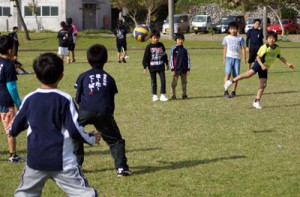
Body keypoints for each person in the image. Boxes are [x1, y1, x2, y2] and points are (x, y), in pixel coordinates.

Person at [10, 53, 101, 196]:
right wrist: (91, 138)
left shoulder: (29, 98)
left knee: (25, 193)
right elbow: (75, 129)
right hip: (63, 162)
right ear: (61, 76)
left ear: (36, 75)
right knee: (85, 194)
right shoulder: (65, 99)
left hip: (36, 161)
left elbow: (14, 128)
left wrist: (15, 129)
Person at [74, 44, 131, 177]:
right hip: (104, 111)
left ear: (88, 60)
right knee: (115, 140)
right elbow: (110, 99)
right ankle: (121, 168)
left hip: (85, 111)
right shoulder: (109, 78)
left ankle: (76, 165)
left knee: (74, 133)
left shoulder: (83, 76)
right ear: (105, 60)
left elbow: (78, 98)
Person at [224, 31, 294, 109]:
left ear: (276, 39)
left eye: (273, 38)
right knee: (248, 75)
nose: (271, 40)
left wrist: (288, 64)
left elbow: (280, 56)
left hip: (265, 67)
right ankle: (230, 81)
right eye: (269, 38)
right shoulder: (264, 47)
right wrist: (261, 65)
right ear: (267, 39)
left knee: (263, 85)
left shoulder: (277, 48)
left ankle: (256, 101)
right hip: (259, 64)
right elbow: (257, 57)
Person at [0, 35, 24, 163]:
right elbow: (12, 87)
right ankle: (13, 155)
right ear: (10, 50)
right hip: (5, 101)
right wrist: (19, 103)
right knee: (10, 129)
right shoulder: (9, 65)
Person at [142, 29, 169, 102]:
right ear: (151, 38)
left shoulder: (161, 45)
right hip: (152, 67)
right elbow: (146, 58)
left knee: (163, 80)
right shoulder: (149, 47)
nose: (156, 39)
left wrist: (167, 63)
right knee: (154, 82)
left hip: (161, 66)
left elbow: (164, 55)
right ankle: (154, 95)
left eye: (157, 37)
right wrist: (145, 67)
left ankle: (163, 95)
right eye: (154, 38)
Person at [222, 21, 246, 98]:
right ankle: (226, 91)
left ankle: (233, 91)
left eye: (235, 29)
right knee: (228, 74)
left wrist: (244, 57)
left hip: (237, 58)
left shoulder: (240, 38)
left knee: (236, 75)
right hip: (229, 58)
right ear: (229, 30)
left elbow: (243, 48)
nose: (233, 30)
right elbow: (225, 48)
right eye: (231, 29)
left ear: (237, 29)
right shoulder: (226, 38)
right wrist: (224, 58)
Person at [169, 33, 191, 100]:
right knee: (174, 83)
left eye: (181, 39)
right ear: (176, 40)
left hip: (184, 69)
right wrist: (172, 69)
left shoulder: (185, 49)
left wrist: (188, 69)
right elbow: (171, 59)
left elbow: (188, 59)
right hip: (176, 69)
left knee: (184, 83)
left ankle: (184, 95)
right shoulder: (174, 49)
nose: (180, 41)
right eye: (179, 39)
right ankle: (173, 95)